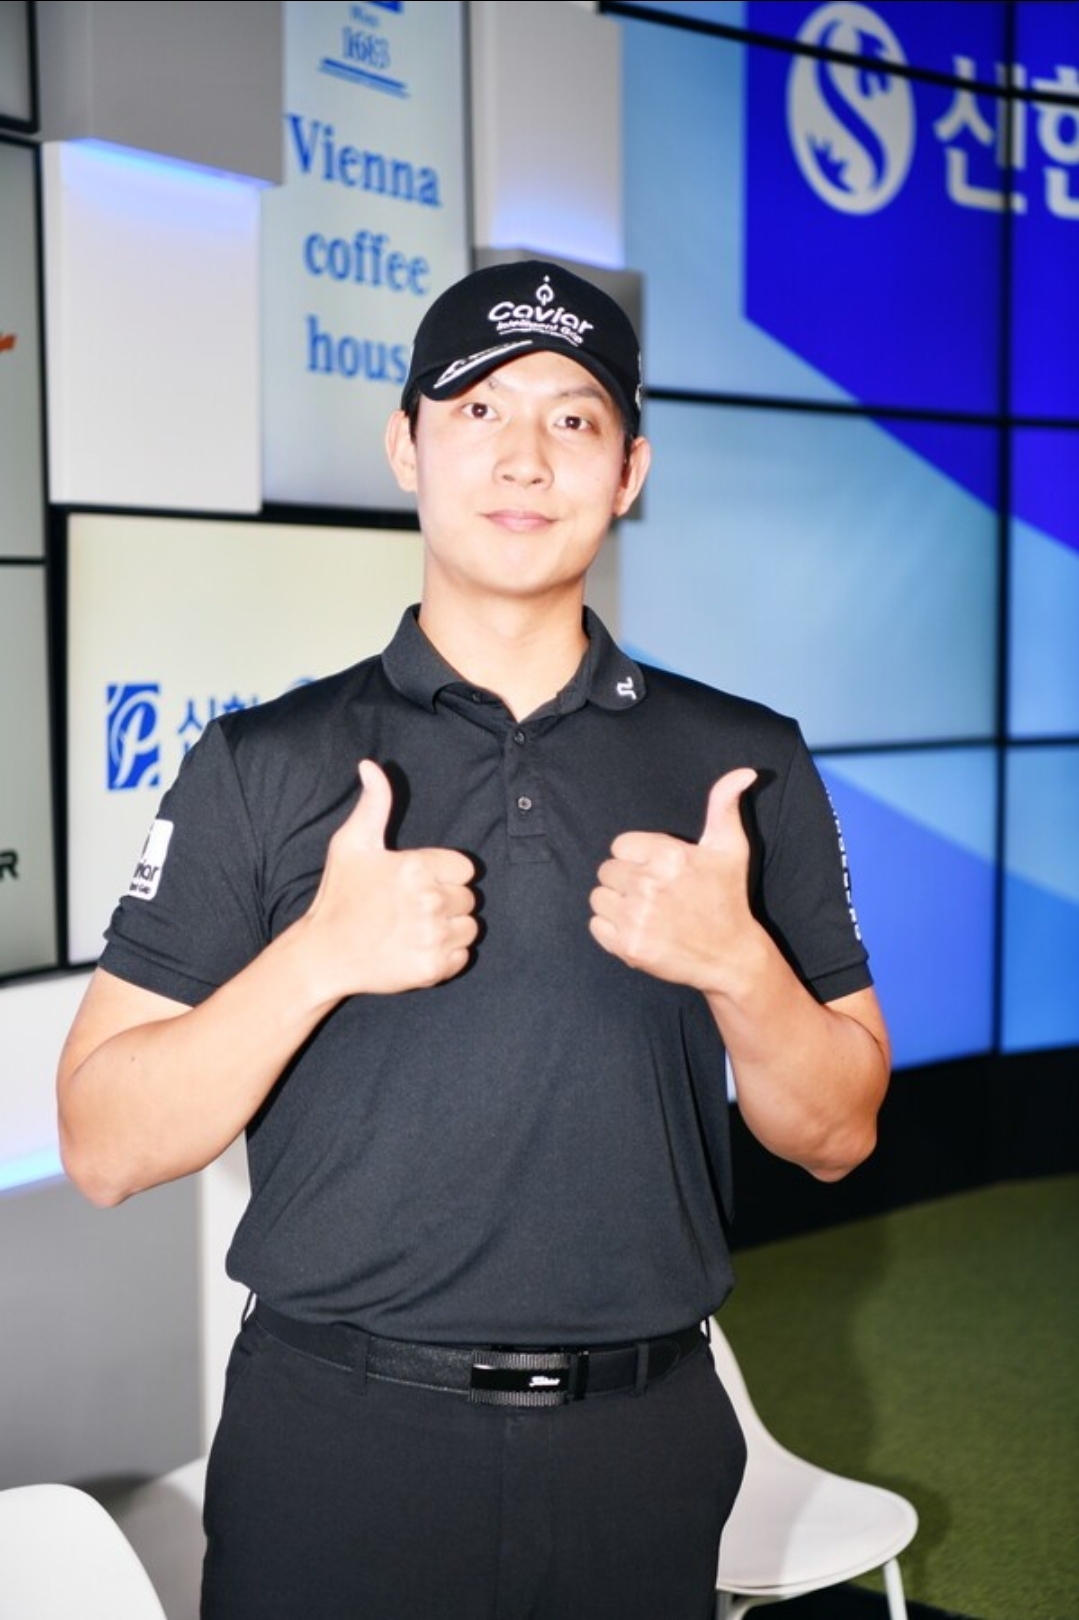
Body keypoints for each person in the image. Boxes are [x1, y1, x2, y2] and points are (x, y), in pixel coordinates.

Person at [57, 259, 890, 1620]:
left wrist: (737, 962)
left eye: (574, 419)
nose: (525, 457)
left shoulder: (747, 765)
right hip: (336, 1447)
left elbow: (838, 1132)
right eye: (479, 410)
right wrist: (318, 955)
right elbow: (103, 1146)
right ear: (407, 446)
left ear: (629, 470)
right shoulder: (263, 762)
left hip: (644, 1445)